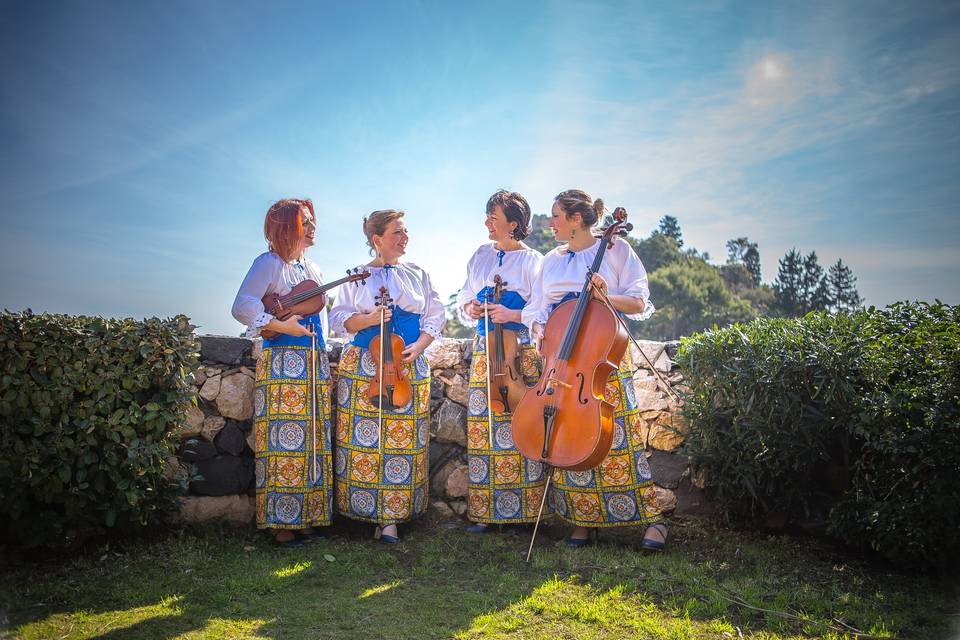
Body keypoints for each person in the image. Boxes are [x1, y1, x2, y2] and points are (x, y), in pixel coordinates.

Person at [521, 189, 668, 550]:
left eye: (555, 216)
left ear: (575, 219)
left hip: (603, 356)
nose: (550, 222)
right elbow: (538, 307)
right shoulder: (551, 260)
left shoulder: (616, 250)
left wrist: (606, 296)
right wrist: (539, 331)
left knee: (619, 440)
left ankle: (653, 521)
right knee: (568, 436)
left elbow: (637, 301)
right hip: (563, 358)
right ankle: (583, 521)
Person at [329, 209, 444, 543]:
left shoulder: (417, 273)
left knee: (401, 442)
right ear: (377, 239)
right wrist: (369, 319)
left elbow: (435, 315)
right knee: (364, 441)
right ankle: (366, 512)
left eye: (406, 231)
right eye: (397, 231)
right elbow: (339, 319)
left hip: (407, 364)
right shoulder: (357, 276)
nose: (404, 237)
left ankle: (392, 517)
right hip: (365, 365)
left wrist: (420, 347)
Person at [231, 198, 332, 547]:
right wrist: (282, 326)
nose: (314, 226)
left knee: (312, 440)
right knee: (286, 440)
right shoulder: (269, 263)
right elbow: (242, 306)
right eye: (306, 221)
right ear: (289, 227)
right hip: (284, 362)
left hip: (313, 359)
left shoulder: (311, 268)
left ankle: (307, 518)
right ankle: (282, 524)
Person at [456, 190, 545, 533]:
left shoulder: (533, 261)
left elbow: (541, 307)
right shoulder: (480, 255)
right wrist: (471, 309)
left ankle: (523, 511)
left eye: (494, 217)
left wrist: (513, 312)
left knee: (520, 423)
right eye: (487, 216)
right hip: (484, 348)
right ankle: (487, 511)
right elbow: (465, 295)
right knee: (485, 426)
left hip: (518, 351)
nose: (487, 223)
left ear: (514, 223)